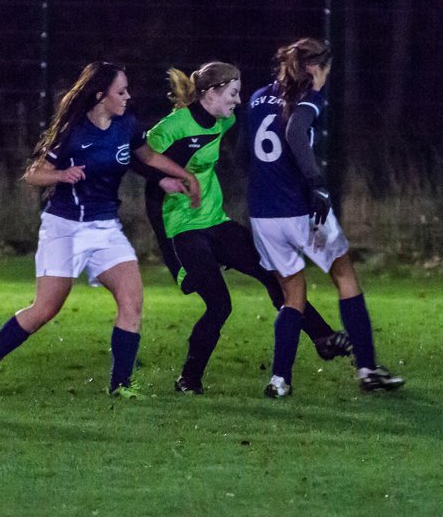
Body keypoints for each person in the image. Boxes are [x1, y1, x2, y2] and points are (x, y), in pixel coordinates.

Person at [0, 61, 199, 399]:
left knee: (132, 300)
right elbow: (33, 175)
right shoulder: (73, 132)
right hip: (64, 228)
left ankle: (121, 385)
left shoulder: (126, 126)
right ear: (100, 96)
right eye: (121, 91)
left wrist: (181, 177)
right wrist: (60, 176)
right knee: (45, 309)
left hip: (105, 229)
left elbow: (149, 157)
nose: (128, 96)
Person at [141, 62, 352, 394]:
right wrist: (166, 187)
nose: (238, 101)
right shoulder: (171, 129)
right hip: (182, 229)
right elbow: (140, 161)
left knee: (274, 273)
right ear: (211, 93)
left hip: (215, 221)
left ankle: (323, 337)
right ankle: (189, 379)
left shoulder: (224, 121)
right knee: (219, 305)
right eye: (233, 93)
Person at [246, 37, 404, 398]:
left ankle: (279, 380)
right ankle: (367, 369)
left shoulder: (256, 98)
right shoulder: (309, 99)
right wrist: (316, 184)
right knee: (345, 276)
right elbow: (294, 132)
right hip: (301, 209)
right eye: (327, 71)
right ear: (315, 69)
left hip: (263, 214)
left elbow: (245, 151)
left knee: (293, 293)